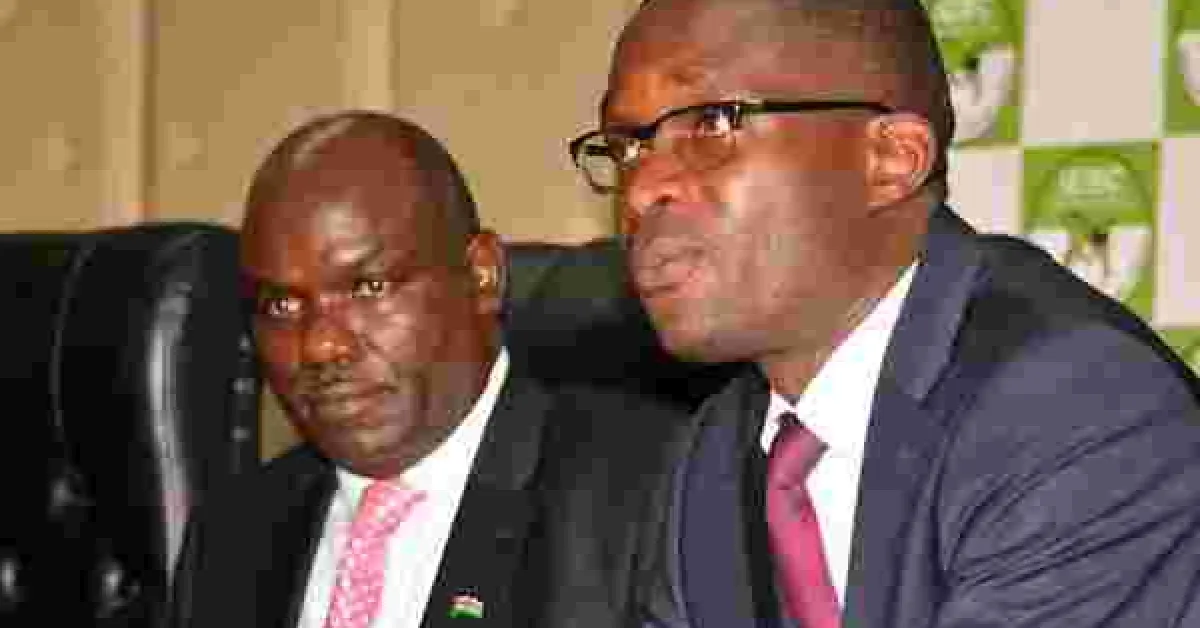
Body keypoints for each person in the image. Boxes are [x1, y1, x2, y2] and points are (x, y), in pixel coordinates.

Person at [567, 0, 1200, 626]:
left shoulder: (1073, 404)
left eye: (711, 123)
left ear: (892, 159)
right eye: (628, 147)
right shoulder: (718, 454)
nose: (642, 189)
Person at [168, 110, 688, 628]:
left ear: (482, 275)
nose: (321, 346)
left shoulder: (646, 492)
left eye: (369, 287)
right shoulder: (230, 539)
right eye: (282, 305)